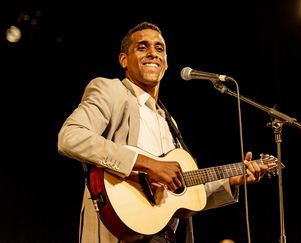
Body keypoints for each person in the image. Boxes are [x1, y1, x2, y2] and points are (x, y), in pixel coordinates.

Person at [57, 21, 269, 243]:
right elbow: (71, 136)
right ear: (123, 60)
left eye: (159, 49)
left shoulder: (169, 123)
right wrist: (147, 163)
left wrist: (231, 180)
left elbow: (182, 190)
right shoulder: (111, 90)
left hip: (165, 235)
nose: (153, 54)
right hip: (119, 230)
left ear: (166, 63)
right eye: (142, 47)